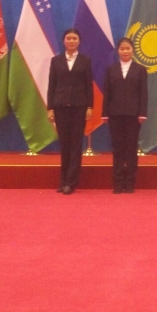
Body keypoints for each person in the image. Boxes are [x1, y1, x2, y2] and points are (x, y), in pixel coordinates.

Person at [47, 28, 93, 195]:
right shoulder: (56, 61)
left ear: (79, 41)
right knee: (64, 144)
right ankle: (63, 181)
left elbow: (88, 85)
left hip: (79, 107)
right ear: (64, 41)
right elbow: (52, 84)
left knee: (75, 144)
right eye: (69, 38)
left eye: (74, 38)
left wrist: (90, 107)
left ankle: (71, 183)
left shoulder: (85, 60)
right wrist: (50, 108)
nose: (71, 41)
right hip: (60, 107)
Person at [102, 37, 148, 194]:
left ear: (132, 50)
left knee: (131, 149)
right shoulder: (111, 69)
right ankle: (118, 182)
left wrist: (142, 113)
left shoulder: (140, 69)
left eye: (128, 48)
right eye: (122, 49)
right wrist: (105, 113)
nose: (125, 51)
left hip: (134, 115)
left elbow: (143, 93)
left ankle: (130, 183)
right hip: (115, 114)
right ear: (118, 51)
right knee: (118, 149)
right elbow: (107, 92)